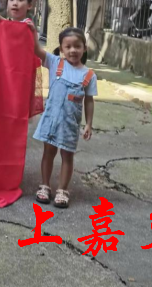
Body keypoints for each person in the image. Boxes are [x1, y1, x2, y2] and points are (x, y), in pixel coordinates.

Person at [31, 27, 97, 208]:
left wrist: (89, 124)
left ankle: (62, 190)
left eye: (77, 46)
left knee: (67, 156)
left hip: (70, 124)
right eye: (68, 47)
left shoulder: (89, 75)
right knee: (48, 153)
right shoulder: (55, 63)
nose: (73, 50)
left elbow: (89, 101)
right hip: (51, 120)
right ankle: (45, 186)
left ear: (84, 48)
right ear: (61, 49)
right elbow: (36, 50)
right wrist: (31, 30)